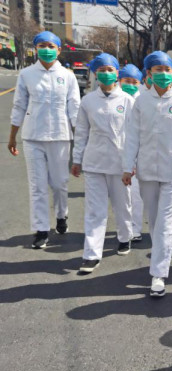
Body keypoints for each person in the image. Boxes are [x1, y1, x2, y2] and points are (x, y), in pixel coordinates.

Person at [122, 51, 172, 297]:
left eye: (168, 70)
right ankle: (159, 259)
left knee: (166, 223)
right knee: (154, 221)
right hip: (146, 170)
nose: (164, 75)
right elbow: (131, 136)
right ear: (149, 74)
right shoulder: (140, 102)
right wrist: (127, 166)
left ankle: (158, 274)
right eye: (158, 70)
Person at [8, 31, 80, 249]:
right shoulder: (27, 74)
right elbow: (19, 105)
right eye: (42, 45)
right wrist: (12, 136)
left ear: (59, 50)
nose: (47, 49)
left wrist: (82, 139)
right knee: (37, 186)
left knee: (60, 184)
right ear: (36, 48)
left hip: (60, 136)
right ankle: (40, 230)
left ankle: (61, 216)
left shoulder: (68, 76)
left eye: (51, 46)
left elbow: (74, 108)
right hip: (32, 137)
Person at [71, 53, 135, 273]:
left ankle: (124, 237)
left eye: (110, 69)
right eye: (102, 70)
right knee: (95, 211)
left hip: (120, 165)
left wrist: (131, 164)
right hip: (95, 163)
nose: (106, 73)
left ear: (117, 73)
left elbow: (134, 136)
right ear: (95, 73)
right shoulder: (88, 101)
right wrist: (76, 159)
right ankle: (91, 254)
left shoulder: (127, 101)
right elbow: (81, 132)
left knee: (123, 206)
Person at [118, 64, 146, 243]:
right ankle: (123, 228)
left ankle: (135, 229)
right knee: (121, 196)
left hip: (136, 155)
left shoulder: (142, 101)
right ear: (120, 81)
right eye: (126, 81)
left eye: (134, 82)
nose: (130, 84)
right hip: (115, 154)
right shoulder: (115, 99)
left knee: (135, 196)